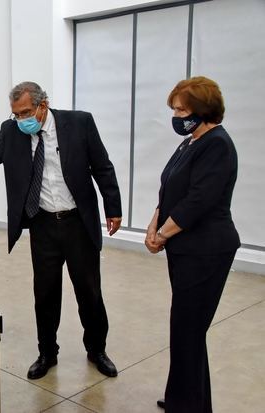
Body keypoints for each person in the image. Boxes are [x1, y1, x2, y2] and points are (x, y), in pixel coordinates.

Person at [0, 81, 122, 379]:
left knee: (89, 291)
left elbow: (102, 166)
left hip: (78, 222)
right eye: (15, 113)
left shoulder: (79, 123)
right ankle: (47, 353)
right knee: (45, 293)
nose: (20, 119)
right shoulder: (11, 131)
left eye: (25, 112)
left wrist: (113, 208)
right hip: (42, 224)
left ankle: (97, 350)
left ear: (44, 105)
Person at [145, 76, 240, 412]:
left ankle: (186, 403)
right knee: (187, 329)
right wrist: (154, 223)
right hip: (186, 248)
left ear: (204, 110)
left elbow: (198, 200)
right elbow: (171, 189)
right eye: (174, 108)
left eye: (182, 109)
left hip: (207, 249)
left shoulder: (217, 144)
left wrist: (163, 234)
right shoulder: (191, 141)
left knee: (188, 328)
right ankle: (186, 399)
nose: (176, 115)